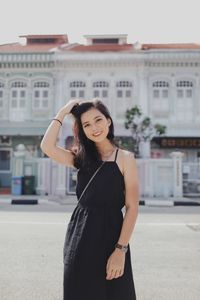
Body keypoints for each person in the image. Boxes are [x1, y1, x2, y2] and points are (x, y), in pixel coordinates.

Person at [40, 98, 140, 300]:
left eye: (98, 120)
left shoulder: (125, 158)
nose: (94, 128)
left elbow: (132, 207)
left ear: (108, 121)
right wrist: (62, 112)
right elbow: (47, 146)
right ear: (82, 130)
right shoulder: (81, 157)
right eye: (86, 125)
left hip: (112, 238)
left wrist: (120, 250)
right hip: (80, 237)